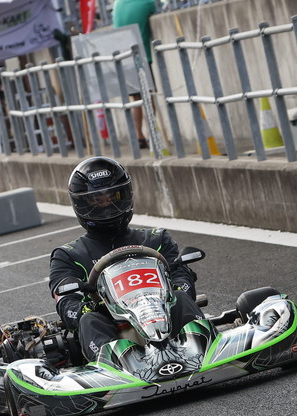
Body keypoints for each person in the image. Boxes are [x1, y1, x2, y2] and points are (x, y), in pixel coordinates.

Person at [48, 156, 203, 361]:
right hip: (112, 327)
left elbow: (181, 274)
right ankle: (114, 365)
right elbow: (66, 304)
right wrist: (88, 308)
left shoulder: (156, 239)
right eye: (96, 200)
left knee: (181, 297)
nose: (106, 205)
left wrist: (177, 289)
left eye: (113, 196)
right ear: (81, 203)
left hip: (161, 313)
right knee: (89, 320)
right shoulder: (68, 255)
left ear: (126, 195)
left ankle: (200, 348)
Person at [112, 0, 157, 149]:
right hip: (142, 56)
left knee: (136, 99)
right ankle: (152, 136)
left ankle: (139, 136)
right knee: (148, 97)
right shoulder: (146, 2)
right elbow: (155, 11)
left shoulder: (117, 4)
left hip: (125, 57)